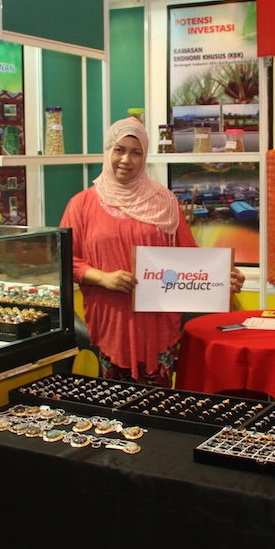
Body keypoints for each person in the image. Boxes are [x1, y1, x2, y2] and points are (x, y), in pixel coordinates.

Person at [60, 117, 245, 386]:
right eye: (119, 150)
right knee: (113, 401)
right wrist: (102, 278)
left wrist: (222, 277)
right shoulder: (81, 205)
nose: (126, 160)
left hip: (158, 322)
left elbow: (190, 258)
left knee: (158, 401)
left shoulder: (164, 201)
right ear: (108, 151)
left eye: (136, 153)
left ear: (144, 156)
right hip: (111, 321)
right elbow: (66, 261)